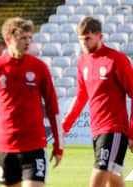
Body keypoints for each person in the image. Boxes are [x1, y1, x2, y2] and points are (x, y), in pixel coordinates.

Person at [0, 17, 64, 187]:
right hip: (5, 147)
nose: (28, 42)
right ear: (8, 39)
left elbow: (53, 107)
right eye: (22, 38)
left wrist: (58, 144)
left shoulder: (39, 67)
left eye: (29, 38)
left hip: (34, 146)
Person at [61, 16, 133, 187]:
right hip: (96, 129)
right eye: (81, 39)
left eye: (88, 38)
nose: (84, 43)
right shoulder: (82, 62)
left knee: (97, 180)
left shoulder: (116, 59)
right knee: (114, 180)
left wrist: (131, 131)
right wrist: (64, 126)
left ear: (99, 37)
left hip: (114, 129)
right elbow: (80, 97)